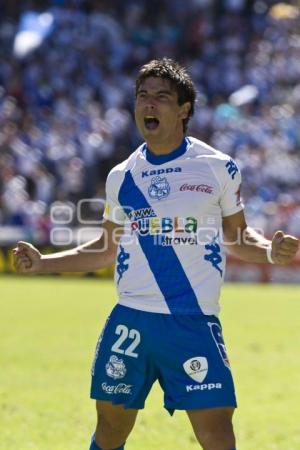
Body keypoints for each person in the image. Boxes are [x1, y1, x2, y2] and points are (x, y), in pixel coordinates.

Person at [13, 58, 299, 450]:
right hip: (132, 320)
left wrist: (271, 253)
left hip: (192, 322)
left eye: (161, 97)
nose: (149, 104)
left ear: (184, 109)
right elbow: (103, 249)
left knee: (218, 435)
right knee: (111, 430)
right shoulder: (121, 176)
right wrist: (44, 262)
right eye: (142, 96)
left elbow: (238, 236)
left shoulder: (217, 167)